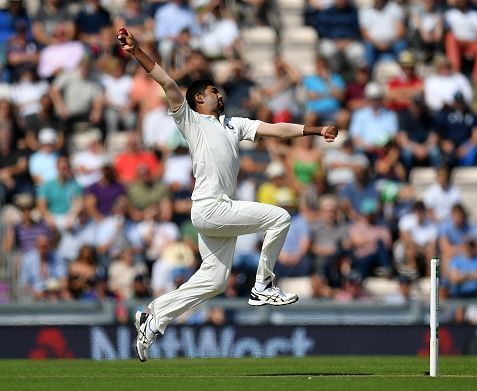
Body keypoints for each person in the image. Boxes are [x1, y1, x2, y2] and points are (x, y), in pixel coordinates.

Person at [116, 28, 338, 361]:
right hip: (209, 207)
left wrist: (316, 130)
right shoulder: (189, 119)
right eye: (212, 92)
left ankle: (154, 316)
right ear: (197, 100)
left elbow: (275, 129)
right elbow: (167, 83)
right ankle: (263, 285)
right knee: (280, 216)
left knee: (215, 279)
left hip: (217, 212)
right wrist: (136, 51)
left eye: (219, 92)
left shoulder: (235, 124)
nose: (219, 95)